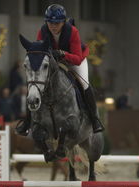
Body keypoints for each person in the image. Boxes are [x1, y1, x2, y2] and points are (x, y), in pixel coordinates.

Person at [16, 4, 104, 136]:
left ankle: (94, 119)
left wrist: (63, 54)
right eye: (50, 22)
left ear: (63, 22)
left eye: (57, 23)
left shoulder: (73, 32)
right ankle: (28, 122)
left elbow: (77, 58)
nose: (53, 26)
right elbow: (41, 52)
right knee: (35, 86)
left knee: (84, 84)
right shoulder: (43, 31)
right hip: (54, 62)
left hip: (74, 61)